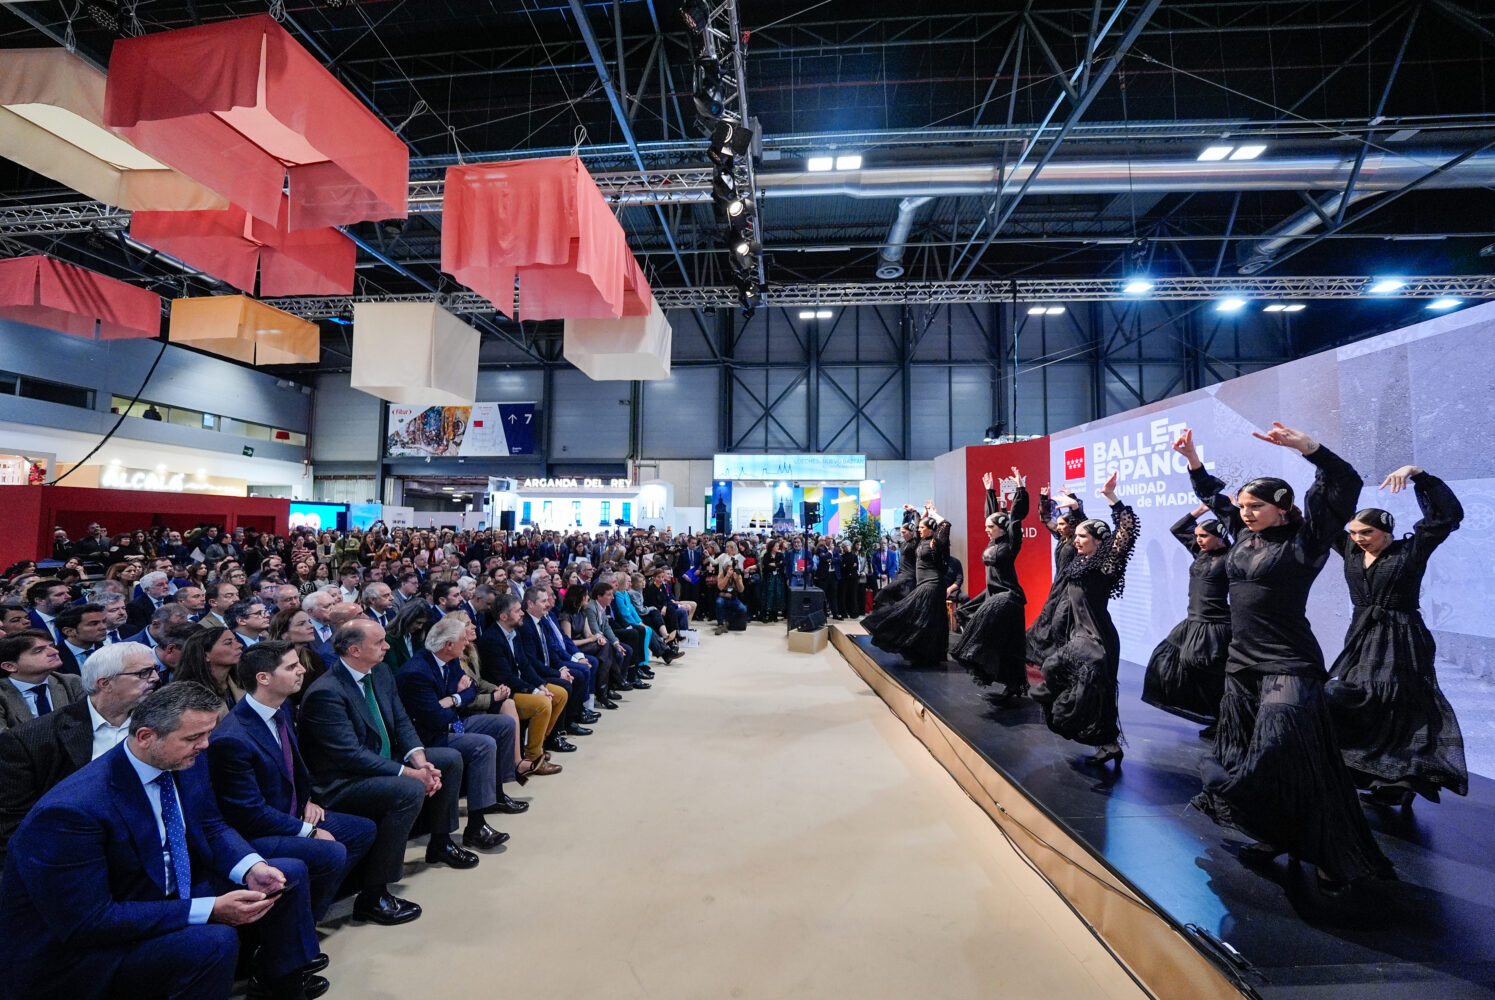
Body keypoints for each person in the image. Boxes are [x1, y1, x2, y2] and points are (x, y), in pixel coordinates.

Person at [0, 682, 322, 1000]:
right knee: (213, 941)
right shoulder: (70, 812)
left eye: (208, 733)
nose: (206, 745)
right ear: (146, 737)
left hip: (161, 888)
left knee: (284, 877)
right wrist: (210, 909)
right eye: (194, 737)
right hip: (91, 943)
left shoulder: (183, 759)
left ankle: (279, 985)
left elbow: (210, 825)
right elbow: (89, 921)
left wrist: (251, 868)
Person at [1177, 423, 1392, 890]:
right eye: (1243, 506)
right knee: (1243, 754)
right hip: (1242, 665)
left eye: (1256, 506)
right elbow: (1212, 495)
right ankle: (1275, 833)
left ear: (1281, 507)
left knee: (1285, 756)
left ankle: (1330, 852)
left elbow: (1345, 485)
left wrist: (1310, 449)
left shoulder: (1307, 540)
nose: (1246, 513)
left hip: (1289, 663)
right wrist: (1192, 459)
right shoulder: (1241, 532)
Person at [298, 619, 475, 927]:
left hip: (382, 761)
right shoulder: (326, 692)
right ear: (355, 650)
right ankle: (374, 894)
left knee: (447, 759)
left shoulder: (379, 673)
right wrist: (410, 774)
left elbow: (402, 721)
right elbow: (351, 756)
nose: (387, 646)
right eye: (379, 642)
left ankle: (441, 842)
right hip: (342, 781)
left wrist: (420, 761)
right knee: (408, 789)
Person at [1324, 465, 1467, 807]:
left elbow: (1447, 515)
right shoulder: (1350, 551)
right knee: (1358, 699)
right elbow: (1324, 517)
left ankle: (1400, 779)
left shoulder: (1410, 550)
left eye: (1367, 532)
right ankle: (1368, 771)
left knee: (1397, 704)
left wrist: (1419, 475)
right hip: (1361, 635)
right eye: (1354, 532)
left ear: (1386, 531)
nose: (1359, 538)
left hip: (1402, 636)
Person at [208, 641, 376, 926]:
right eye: (291, 666)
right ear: (264, 678)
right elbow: (249, 813)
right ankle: (297, 924)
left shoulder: (281, 707)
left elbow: (292, 768)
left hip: (292, 812)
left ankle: (310, 911)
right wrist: (309, 831)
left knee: (362, 830)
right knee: (331, 850)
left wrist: (307, 800)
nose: (302, 670)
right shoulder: (232, 738)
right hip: (258, 832)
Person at [0, 641, 157, 861]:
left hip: (153, 845)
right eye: (143, 673)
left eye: (154, 669)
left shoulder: (162, 724)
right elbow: (14, 823)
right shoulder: (32, 739)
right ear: (105, 683)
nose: (155, 678)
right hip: (73, 853)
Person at [1029, 474, 1137, 766]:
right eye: (1075, 536)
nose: (1076, 540)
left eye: (1082, 537)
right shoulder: (1081, 559)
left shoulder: (1106, 563)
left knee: (1082, 684)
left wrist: (1111, 498)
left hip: (1097, 637)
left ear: (1099, 541)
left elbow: (1125, 532)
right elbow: (1084, 525)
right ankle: (1109, 744)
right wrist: (1075, 508)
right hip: (1079, 633)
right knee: (1087, 688)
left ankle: (1105, 741)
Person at [395, 617, 523, 837]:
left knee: (504, 724)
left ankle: (496, 793)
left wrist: (453, 698)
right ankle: (476, 825)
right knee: (484, 745)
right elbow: (436, 718)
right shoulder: (416, 672)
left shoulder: (450, 660)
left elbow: (471, 689)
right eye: (463, 639)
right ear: (448, 644)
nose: (467, 643)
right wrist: (458, 697)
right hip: (431, 736)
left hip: (453, 720)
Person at [1141, 503, 1232, 737]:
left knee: (1209, 673)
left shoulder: (1231, 558)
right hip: (1193, 620)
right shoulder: (1201, 553)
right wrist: (1200, 511)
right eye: (1197, 535)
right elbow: (1178, 529)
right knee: (1165, 657)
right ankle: (1216, 715)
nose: (1198, 540)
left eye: (1204, 536)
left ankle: (1224, 720)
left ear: (1220, 536)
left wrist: (1227, 510)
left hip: (1214, 623)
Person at [952, 469, 1031, 703]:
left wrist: (1020, 489)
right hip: (992, 594)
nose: (987, 529)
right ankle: (994, 669)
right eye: (987, 527)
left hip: (1008, 596)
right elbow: (992, 515)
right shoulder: (993, 541)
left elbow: (1015, 518)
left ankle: (1014, 683)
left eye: (991, 527)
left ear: (1002, 528)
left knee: (1009, 644)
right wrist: (989, 491)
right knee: (967, 615)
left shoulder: (1010, 543)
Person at [474, 595, 565, 780]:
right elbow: (505, 678)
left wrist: (540, 685)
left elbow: (525, 665)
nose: (522, 613)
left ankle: (538, 744)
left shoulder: (514, 633)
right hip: (504, 692)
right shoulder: (491, 639)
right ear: (504, 616)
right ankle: (534, 757)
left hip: (520, 684)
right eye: (517, 611)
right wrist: (534, 691)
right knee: (542, 704)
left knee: (560, 694)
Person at [861, 503, 952, 668]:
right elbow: (916, 526)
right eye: (919, 527)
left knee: (912, 613)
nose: (919, 529)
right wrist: (917, 513)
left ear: (931, 529)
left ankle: (924, 654)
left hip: (932, 584)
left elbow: (945, 524)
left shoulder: (936, 542)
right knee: (928, 620)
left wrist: (932, 513)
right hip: (924, 583)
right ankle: (925, 655)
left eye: (922, 527)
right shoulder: (922, 541)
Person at [1024, 488, 1086, 671]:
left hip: (1070, 587)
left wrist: (1073, 503)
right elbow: (1046, 520)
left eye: (1062, 524)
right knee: (1047, 620)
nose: (1058, 527)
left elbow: (1080, 520)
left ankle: (1066, 660)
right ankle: (1053, 660)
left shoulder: (1076, 540)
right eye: (1058, 524)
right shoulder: (1061, 538)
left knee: (1061, 622)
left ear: (1071, 526)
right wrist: (1043, 499)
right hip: (1058, 585)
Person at [1, 631, 85, 731]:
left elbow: (88, 723)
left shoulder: (72, 682)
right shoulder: (2, 694)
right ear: (10, 666)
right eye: (38, 651)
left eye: (51, 646)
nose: (54, 652)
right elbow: (4, 737)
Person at [175, 626, 246, 718]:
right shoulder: (189, 697)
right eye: (228, 643)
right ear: (205, 655)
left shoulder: (242, 682)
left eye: (236, 640)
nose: (239, 645)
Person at [872, 522, 919, 610]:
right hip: (901, 576)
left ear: (912, 532)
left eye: (904, 532)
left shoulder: (915, 543)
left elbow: (917, 531)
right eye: (901, 532)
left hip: (909, 578)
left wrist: (916, 514)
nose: (901, 534)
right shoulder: (905, 543)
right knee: (883, 595)